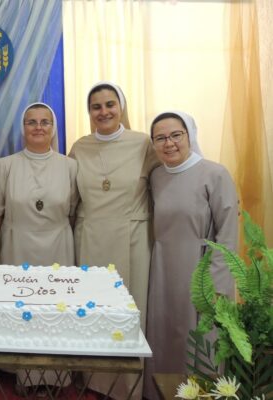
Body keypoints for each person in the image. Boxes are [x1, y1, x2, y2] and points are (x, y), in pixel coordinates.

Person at [68, 81, 159, 399]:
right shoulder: (80, 147)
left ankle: (128, 387)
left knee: (128, 312)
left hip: (132, 238)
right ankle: (95, 380)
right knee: (94, 310)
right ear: (89, 111)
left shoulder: (143, 143)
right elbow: (71, 198)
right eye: (96, 106)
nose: (103, 111)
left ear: (121, 107)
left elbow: (164, 186)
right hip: (91, 238)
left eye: (110, 104)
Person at [143, 111, 238, 399]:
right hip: (163, 269)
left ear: (190, 135)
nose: (169, 143)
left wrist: (218, 283)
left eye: (176, 135)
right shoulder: (157, 176)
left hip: (201, 270)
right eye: (160, 138)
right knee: (165, 336)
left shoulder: (215, 173)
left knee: (200, 342)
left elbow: (228, 234)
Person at [0, 102, 78, 393]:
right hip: (17, 246)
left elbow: (74, 210)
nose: (38, 127)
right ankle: (24, 376)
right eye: (32, 122)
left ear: (53, 128)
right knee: (23, 311)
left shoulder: (70, 166)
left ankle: (56, 377)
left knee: (56, 310)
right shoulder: (4, 166)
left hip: (58, 245)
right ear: (23, 128)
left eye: (45, 122)